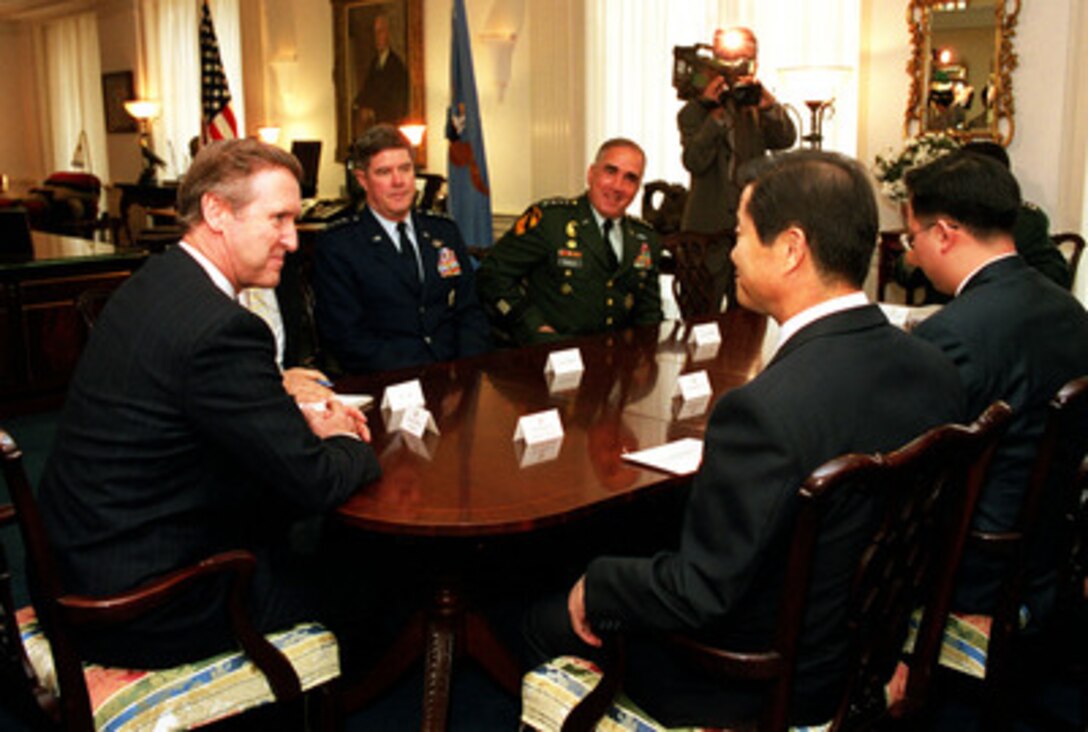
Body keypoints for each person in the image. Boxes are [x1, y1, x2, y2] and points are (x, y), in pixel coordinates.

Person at [524, 150, 965, 727]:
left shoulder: (763, 412)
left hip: (763, 683)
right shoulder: (937, 371)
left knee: (538, 618)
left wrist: (598, 583)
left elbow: (698, 594)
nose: (730, 251)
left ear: (790, 249)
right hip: (864, 649)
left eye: (740, 233)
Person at [37, 138, 382, 668]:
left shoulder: (158, 281)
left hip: (79, 561)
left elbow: (200, 415)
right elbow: (318, 482)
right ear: (216, 212)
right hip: (145, 604)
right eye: (278, 219)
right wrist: (342, 437)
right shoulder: (221, 328)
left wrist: (293, 427)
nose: (292, 240)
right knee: (379, 577)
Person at [904, 150, 1088, 624]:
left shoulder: (953, 333)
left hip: (973, 577)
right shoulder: (1069, 310)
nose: (911, 253)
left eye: (913, 237)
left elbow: (914, 471)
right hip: (1049, 552)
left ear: (943, 234)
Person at [313, 124, 491, 373]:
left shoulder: (443, 231)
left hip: (456, 379)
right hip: (388, 382)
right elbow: (347, 336)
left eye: (405, 169)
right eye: (384, 172)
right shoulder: (339, 245)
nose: (398, 182)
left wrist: (466, 368)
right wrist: (423, 376)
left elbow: (470, 312)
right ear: (363, 180)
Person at [477, 138, 663, 346]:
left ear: (638, 187)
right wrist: (531, 324)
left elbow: (649, 313)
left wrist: (646, 356)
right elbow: (492, 274)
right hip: (553, 354)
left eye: (630, 178)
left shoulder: (644, 238)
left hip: (616, 361)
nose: (618, 186)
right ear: (591, 174)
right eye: (610, 171)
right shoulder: (550, 220)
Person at [678, 26, 796, 308]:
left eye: (744, 58)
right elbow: (694, 161)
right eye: (726, 58)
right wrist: (714, 116)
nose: (734, 66)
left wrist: (769, 106)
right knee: (701, 314)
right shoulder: (693, 111)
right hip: (706, 233)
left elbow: (785, 139)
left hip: (750, 230)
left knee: (748, 317)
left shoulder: (754, 108)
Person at [895, 140, 1071, 304]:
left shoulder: (1023, 222)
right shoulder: (941, 214)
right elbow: (903, 276)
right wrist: (912, 258)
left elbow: (1055, 277)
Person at [351, 11, 408, 139]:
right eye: (375, 32)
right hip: (375, 130)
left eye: (380, 31)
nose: (377, 37)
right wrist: (358, 105)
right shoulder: (374, 64)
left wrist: (372, 110)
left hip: (389, 130)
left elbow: (395, 102)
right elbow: (366, 90)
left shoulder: (396, 66)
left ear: (388, 34)